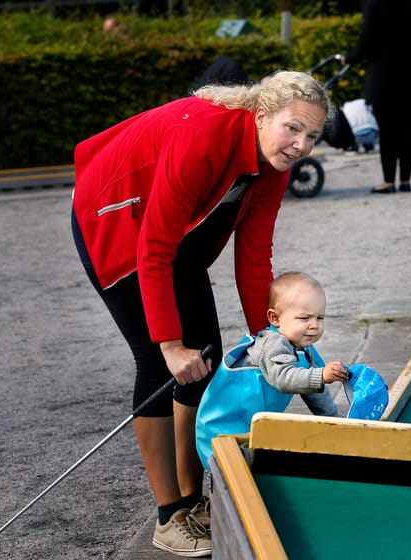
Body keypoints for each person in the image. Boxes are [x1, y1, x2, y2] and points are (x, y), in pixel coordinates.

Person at [71, 70, 331, 557]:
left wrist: (271, 339)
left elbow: (254, 259)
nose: (300, 145)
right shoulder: (202, 137)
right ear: (260, 115)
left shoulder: (276, 165)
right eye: (292, 128)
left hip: (175, 236)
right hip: (114, 220)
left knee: (205, 363)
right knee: (159, 362)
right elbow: (152, 250)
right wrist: (170, 344)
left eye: (312, 135)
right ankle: (170, 514)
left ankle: (194, 500)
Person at [196, 271, 346, 470]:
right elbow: (285, 378)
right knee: (233, 482)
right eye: (304, 318)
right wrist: (322, 375)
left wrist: (337, 424)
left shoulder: (304, 346)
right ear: (275, 318)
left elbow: (315, 392)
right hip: (222, 431)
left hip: (251, 427)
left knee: (259, 470)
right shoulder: (272, 344)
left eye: (320, 317)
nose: (314, 325)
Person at [344, 0, 411, 193]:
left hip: (383, 77)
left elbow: (366, 40)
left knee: (387, 132)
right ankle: (405, 180)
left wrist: (350, 57)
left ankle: (388, 181)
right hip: (408, 76)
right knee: (406, 129)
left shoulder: (375, 4)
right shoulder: (410, 4)